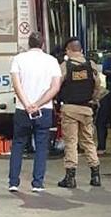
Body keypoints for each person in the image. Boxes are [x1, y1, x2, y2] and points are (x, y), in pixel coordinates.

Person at [8, 32, 62, 192]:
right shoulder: (52, 61)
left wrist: (27, 105)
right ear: (43, 44)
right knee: (41, 145)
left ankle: (13, 182)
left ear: (28, 44)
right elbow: (55, 87)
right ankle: (37, 183)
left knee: (18, 144)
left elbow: (17, 85)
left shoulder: (18, 59)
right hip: (44, 110)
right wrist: (37, 104)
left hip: (22, 109)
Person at [57, 38, 103, 188]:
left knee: (71, 143)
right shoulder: (91, 65)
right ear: (81, 50)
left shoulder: (65, 66)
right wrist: (94, 100)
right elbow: (98, 86)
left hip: (70, 109)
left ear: (68, 51)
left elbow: (56, 86)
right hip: (86, 109)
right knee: (88, 141)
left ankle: (70, 178)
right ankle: (95, 175)